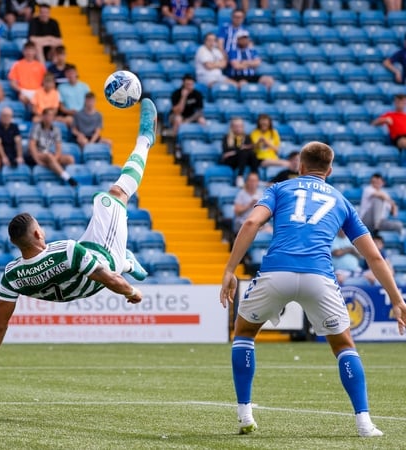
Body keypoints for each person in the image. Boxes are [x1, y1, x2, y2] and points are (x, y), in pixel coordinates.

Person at [219, 141, 406, 438]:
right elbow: (374, 257)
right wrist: (397, 299)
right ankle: (364, 423)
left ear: (299, 166)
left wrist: (230, 270)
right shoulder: (341, 200)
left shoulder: (280, 188)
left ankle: (244, 415)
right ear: (329, 171)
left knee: (243, 334)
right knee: (344, 346)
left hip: (275, 272)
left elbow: (252, 221)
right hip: (319, 277)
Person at [0, 99, 158, 374]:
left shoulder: (11, 275)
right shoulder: (65, 250)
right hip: (104, 260)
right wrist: (131, 291)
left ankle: (127, 260)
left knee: (92, 242)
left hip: (84, 264)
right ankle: (145, 140)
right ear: (37, 232)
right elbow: (106, 277)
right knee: (116, 194)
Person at [27, 107, 77, 186]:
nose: (49, 118)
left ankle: (67, 183)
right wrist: (37, 160)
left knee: (70, 159)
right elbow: (32, 146)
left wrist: (55, 159)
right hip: (37, 154)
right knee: (49, 156)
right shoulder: (37, 127)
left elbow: (58, 148)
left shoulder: (56, 129)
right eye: (47, 115)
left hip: (49, 154)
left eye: (51, 116)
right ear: (43, 116)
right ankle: (67, 178)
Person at [220, 117, 259, 187]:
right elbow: (226, 152)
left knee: (253, 154)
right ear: (232, 127)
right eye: (236, 126)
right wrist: (241, 149)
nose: (238, 128)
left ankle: (255, 176)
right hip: (231, 161)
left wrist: (236, 151)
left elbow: (250, 149)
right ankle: (239, 177)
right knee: (243, 152)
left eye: (240, 126)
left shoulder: (247, 137)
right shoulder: (227, 137)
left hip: (243, 159)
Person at [8, 41, 47, 107]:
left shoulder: (40, 66)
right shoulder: (17, 65)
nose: (29, 53)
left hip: (38, 91)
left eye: (31, 50)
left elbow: (45, 81)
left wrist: (41, 91)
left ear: (35, 52)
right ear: (23, 51)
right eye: (27, 50)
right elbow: (12, 82)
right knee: (22, 98)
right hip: (23, 91)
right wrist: (20, 90)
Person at [169, 74, 206, 141]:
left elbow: (199, 112)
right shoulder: (176, 93)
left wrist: (188, 120)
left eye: (191, 84)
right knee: (178, 119)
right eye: (187, 84)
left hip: (191, 117)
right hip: (176, 115)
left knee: (202, 120)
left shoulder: (197, 94)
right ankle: (176, 142)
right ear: (183, 84)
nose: (189, 87)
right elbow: (177, 111)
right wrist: (183, 97)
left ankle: (201, 141)